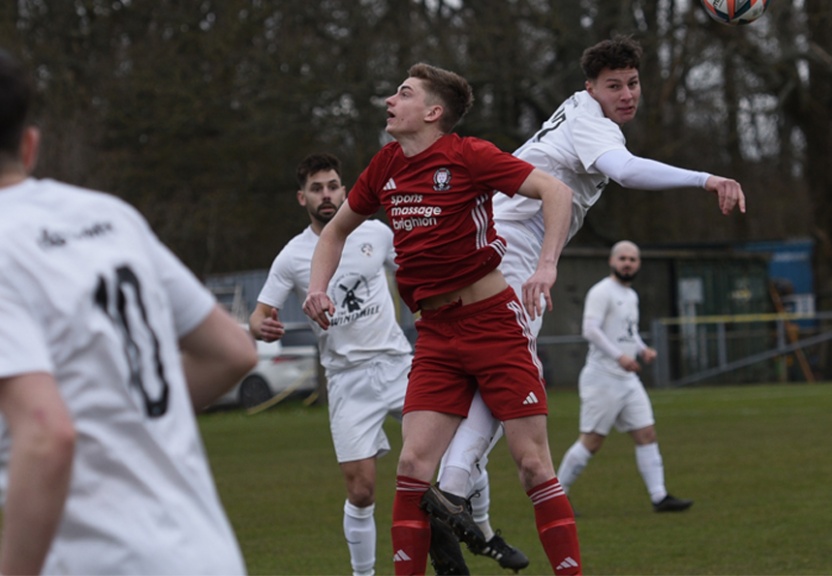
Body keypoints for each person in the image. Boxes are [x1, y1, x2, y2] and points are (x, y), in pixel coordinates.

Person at [432, 34, 744, 552]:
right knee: (510, 376)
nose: (626, 94)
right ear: (590, 88)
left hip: (487, 239)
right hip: (509, 256)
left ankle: (454, 493)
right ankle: (451, 491)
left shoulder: (577, 109)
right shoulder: (593, 124)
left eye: (633, 83)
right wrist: (706, 179)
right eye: (613, 85)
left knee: (489, 378)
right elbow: (625, 171)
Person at [301, 63, 581, 575]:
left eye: (403, 94)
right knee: (411, 466)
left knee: (533, 465)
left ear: (432, 113)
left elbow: (556, 192)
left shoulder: (468, 154)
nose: (390, 100)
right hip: (434, 335)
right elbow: (335, 233)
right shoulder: (385, 165)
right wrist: (317, 287)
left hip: (493, 324)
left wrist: (545, 266)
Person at [0, 48, 257, 575]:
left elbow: (46, 435)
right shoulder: (110, 216)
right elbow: (231, 352)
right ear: (29, 145)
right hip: (209, 555)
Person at [249, 153, 413, 575]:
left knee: (448, 459)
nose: (327, 195)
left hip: (398, 366)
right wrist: (261, 327)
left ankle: (481, 530)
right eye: (317, 188)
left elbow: (415, 277)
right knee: (361, 490)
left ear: (345, 189)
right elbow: (259, 312)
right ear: (301, 197)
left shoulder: (376, 233)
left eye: (334, 186)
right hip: (346, 379)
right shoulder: (292, 256)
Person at [555, 241, 693, 512]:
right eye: (623, 258)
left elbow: (628, 332)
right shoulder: (601, 291)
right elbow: (590, 330)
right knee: (591, 442)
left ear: (638, 264)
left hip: (627, 378)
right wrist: (620, 356)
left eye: (632, 259)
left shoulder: (631, 295)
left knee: (646, 433)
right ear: (612, 261)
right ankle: (555, 498)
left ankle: (659, 497)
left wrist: (642, 350)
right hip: (602, 377)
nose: (627, 263)